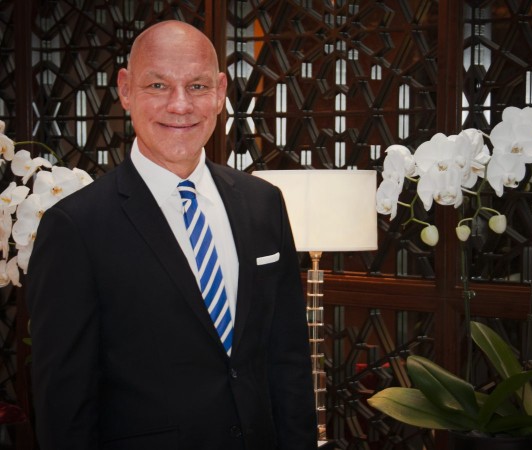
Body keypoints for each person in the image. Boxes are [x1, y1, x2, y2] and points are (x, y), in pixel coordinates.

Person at [26, 20, 317, 450]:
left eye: (197, 86)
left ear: (220, 92)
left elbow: (288, 358)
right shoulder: (75, 227)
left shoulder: (263, 203)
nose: (180, 105)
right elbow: (64, 404)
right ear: (126, 90)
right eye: (158, 85)